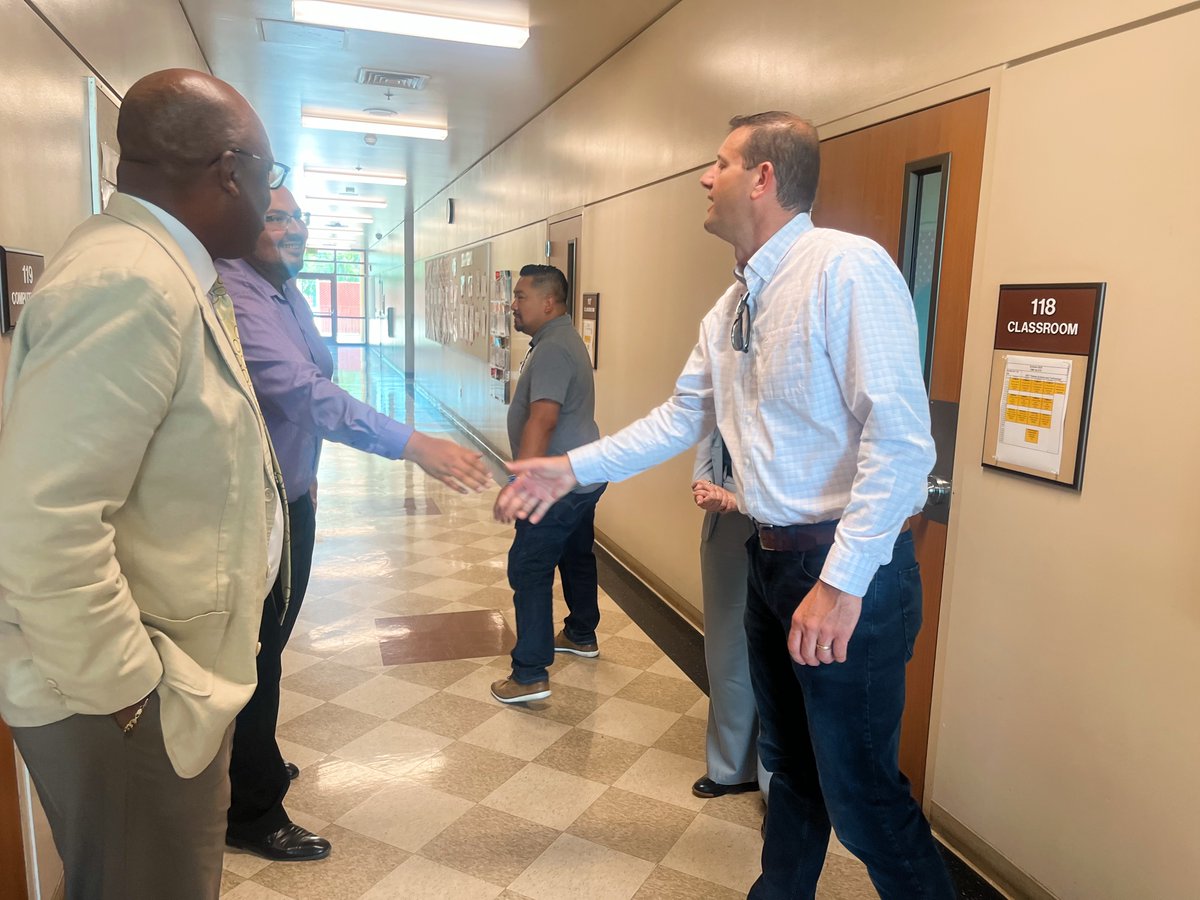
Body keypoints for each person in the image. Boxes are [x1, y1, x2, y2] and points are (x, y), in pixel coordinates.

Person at [497, 112, 955, 899]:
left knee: (867, 803)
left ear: (764, 177)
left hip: (849, 578)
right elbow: (679, 419)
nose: (705, 179)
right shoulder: (733, 305)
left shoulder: (845, 270)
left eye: (719, 163)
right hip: (770, 562)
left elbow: (905, 445)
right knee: (792, 772)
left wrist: (840, 586)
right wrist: (567, 468)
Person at [0, 69, 286, 900]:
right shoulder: (129, 280)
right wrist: (131, 695)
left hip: (162, 682)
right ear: (230, 169)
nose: (272, 197)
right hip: (120, 698)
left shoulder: (169, 269)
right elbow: (41, 522)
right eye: (273, 173)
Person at [216, 187, 492, 860]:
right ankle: (252, 812)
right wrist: (413, 443)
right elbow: (305, 391)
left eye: (297, 216)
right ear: (241, 225)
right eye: (275, 215)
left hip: (294, 499)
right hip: (257, 511)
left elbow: (314, 376)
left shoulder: (283, 290)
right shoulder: (237, 292)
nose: (294, 227)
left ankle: (254, 761)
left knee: (268, 647)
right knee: (254, 654)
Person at [490, 265, 606, 704]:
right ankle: (580, 632)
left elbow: (543, 417)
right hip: (580, 477)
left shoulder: (554, 348)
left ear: (549, 302)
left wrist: (523, 482)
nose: (513, 305)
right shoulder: (557, 340)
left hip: (555, 486)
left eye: (520, 297)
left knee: (529, 568)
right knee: (577, 555)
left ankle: (530, 673)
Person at [689, 429, 770, 802]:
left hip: (794, 523)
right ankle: (732, 765)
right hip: (726, 515)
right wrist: (703, 482)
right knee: (726, 648)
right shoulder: (723, 369)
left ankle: (782, 791)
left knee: (784, 659)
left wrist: (744, 500)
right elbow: (706, 421)